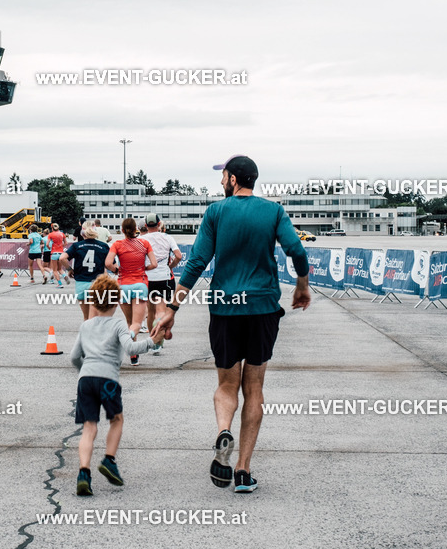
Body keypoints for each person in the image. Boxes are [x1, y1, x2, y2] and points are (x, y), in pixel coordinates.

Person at [153, 155, 310, 494]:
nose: (220, 181)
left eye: (223, 175)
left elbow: (196, 262)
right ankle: (242, 470)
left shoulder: (215, 212)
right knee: (254, 386)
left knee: (227, 385)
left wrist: (172, 307)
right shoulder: (274, 211)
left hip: (225, 308)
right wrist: (301, 285)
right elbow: (296, 249)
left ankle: (223, 429)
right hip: (263, 307)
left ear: (234, 179)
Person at [70, 275, 165, 496]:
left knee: (88, 427)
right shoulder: (118, 324)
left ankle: (84, 472)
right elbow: (131, 349)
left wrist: (85, 372)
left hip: (85, 379)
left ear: (93, 301)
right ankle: (109, 460)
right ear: (116, 301)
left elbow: (75, 357)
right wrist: (154, 341)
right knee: (116, 419)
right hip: (108, 379)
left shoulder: (86, 326)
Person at [105, 217, 156, 365]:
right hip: (140, 284)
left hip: (123, 285)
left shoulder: (117, 244)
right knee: (137, 324)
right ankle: (127, 343)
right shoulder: (144, 243)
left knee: (129, 321)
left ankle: (133, 354)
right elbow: (154, 263)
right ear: (136, 230)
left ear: (122, 230)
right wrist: (144, 268)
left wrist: (117, 270)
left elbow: (108, 263)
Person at [142, 214, 183, 348]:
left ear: (146, 226)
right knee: (161, 311)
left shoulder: (141, 239)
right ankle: (158, 340)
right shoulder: (168, 237)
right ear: (159, 224)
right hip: (164, 277)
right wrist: (170, 266)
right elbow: (178, 256)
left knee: (150, 311)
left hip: (148, 278)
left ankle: (151, 340)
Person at [61, 221, 111, 320]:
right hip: (97, 282)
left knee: (86, 317)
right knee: (96, 316)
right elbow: (110, 264)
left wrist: (70, 269)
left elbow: (62, 258)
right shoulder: (103, 246)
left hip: (81, 282)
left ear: (81, 233)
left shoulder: (77, 246)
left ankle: (86, 333)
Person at [48, 223, 67, 287]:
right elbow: (66, 243)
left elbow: (47, 244)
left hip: (54, 253)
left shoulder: (50, 234)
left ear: (52, 228)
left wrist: (49, 248)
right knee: (60, 269)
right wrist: (61, 246)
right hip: (61, 253)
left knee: (55, 270)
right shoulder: (62, 234)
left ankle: (60, 284)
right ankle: (65, 276)